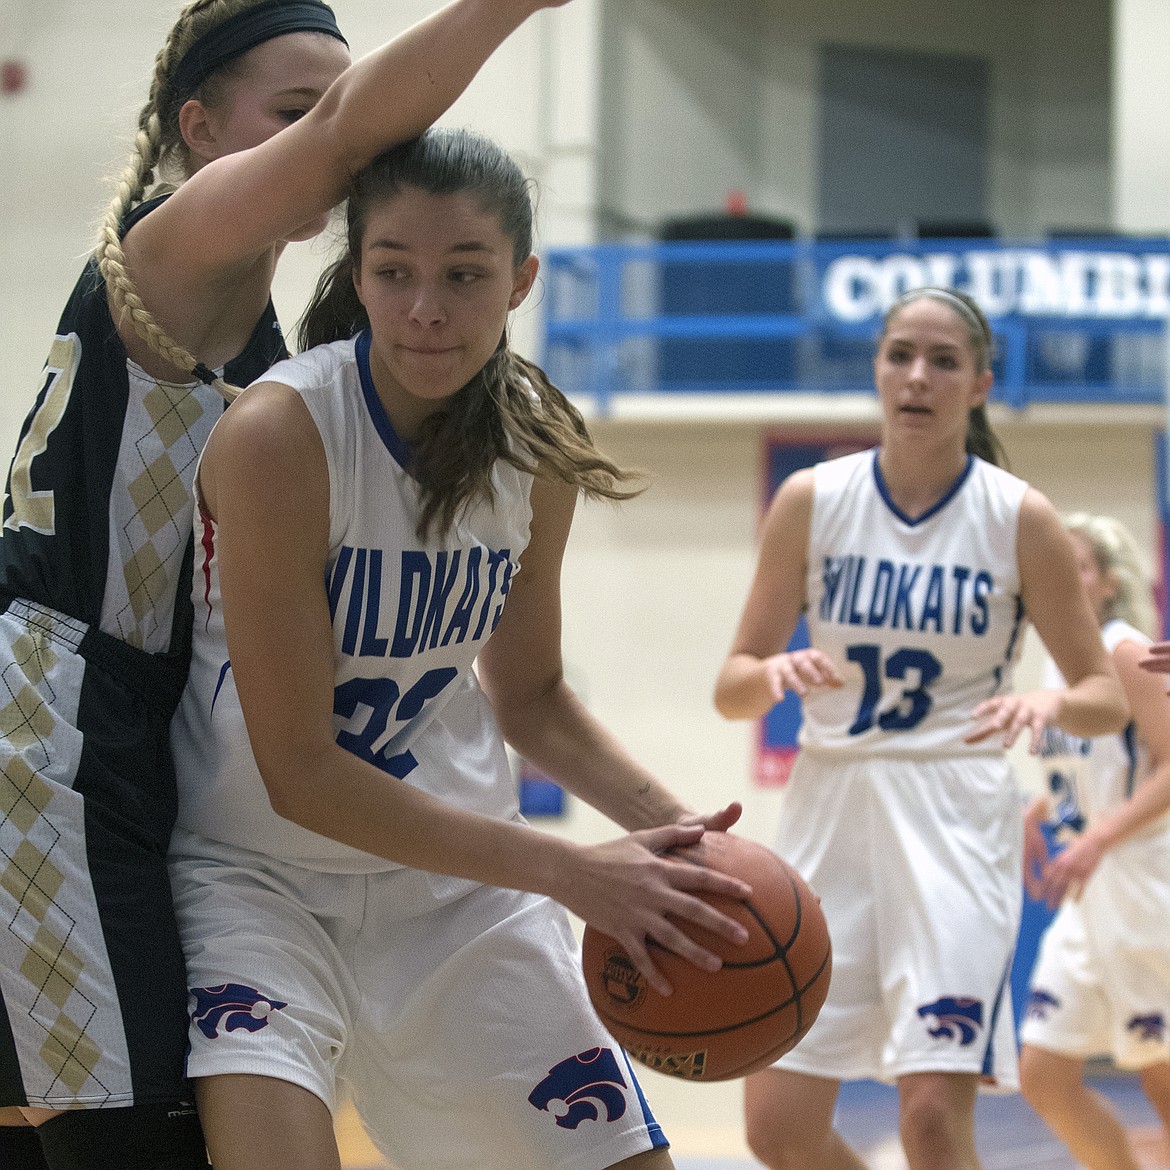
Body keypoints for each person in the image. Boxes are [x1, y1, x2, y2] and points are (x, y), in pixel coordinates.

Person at [0, 3, 572, 1167]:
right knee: (130, 1128)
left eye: (332, 105)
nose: (343, 143)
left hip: (118, 726)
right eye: (296, 113)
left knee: (58, 1118)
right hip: (51, 719)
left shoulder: (255, 329)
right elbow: (363, 127)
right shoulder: (181, 238)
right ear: (201, 130)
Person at [167, 125, 752, 1170]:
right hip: (258, 880)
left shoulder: (535, 446)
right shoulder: (280, 435)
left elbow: (530, 698)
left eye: (465, 273)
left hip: (453, 896)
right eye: (394, 272)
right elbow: (300, 773)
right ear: (358, 274)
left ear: (521, 279)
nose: (426, 307)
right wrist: (574, 871)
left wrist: (690, 844)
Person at [712, 286, 1130, 1170]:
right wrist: (773, 673)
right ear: (876, 369)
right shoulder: (811, 499)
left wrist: (1050, 703)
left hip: (954, 816)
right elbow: (732, 688)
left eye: (943, 361)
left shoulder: (1019, 517)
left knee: (933, 1120)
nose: (917, 376)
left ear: (979, 385)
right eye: (900, 353)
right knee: (776, 1129)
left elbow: (1104, 693)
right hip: (831, 814)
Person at [1018, 512, 1170, 1170]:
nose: (1061, 576)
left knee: (1162, 1074)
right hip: (1090, 886)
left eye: (1077, 564)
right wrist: (1041, 810)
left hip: (1144, 880)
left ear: (1107, 584)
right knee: (1044, 1075)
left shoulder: (1125, 650)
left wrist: (1098, 838)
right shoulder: (1064, 664)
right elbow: (1098, 767)